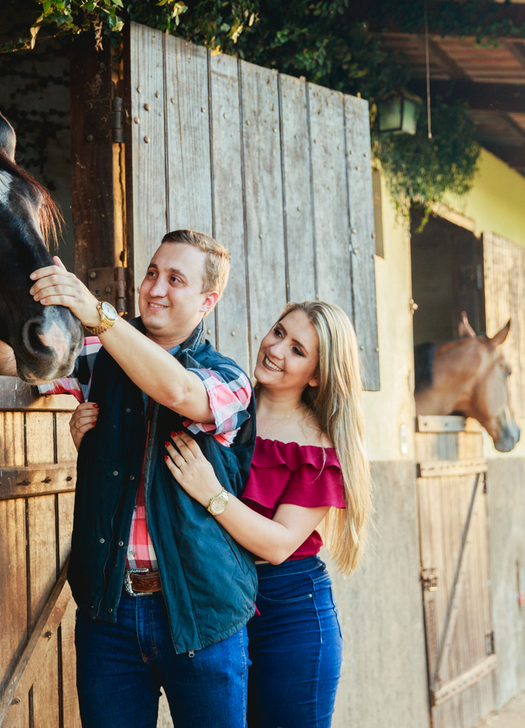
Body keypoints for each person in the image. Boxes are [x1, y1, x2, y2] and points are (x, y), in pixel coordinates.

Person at [0, 229, 256, 728]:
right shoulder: (94, 357)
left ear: (208, 301)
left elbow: (175, 389)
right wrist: (5, 279)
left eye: (176, 279)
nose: (156, 288)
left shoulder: (227, 377)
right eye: (152, 272)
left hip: (200, 613)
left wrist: (96, 314)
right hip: (111, 615)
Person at [71, 300, 371, 728]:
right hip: (206, 594)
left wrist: (213, 494)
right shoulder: (219, 400)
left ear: (319, 375)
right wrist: (95, 443)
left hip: (285, 611)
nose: (277, 349)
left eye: (298, 350)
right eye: (278, 331)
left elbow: (281, 544)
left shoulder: (319, 447)